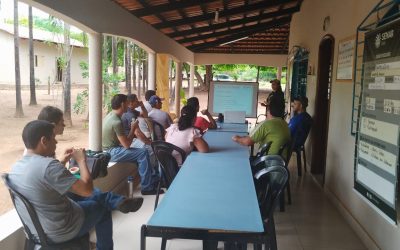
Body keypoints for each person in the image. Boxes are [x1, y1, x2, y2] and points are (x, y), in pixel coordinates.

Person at [9, 120, 143, 249]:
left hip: (36, 230)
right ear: (44, 141)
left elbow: (44, 176)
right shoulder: (49, 166)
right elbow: (87, 189)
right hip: (61, 230)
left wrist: (62, 160)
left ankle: (115, 202)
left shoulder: (16, 168)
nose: (56, 142)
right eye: (53, 138)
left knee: (76, 194)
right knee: (101, 208)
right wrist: (82, 161)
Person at [102, 94, 161, 195]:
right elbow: (127, 145)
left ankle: (150, 181)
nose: (128, 104)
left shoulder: (111, 115)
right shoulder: (116, 121)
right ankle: (147, 187)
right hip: (111, 152)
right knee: (142, 153)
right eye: (127, 103)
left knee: (141, 152)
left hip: (112, 148)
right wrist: (133, 128)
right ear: (122, 104)